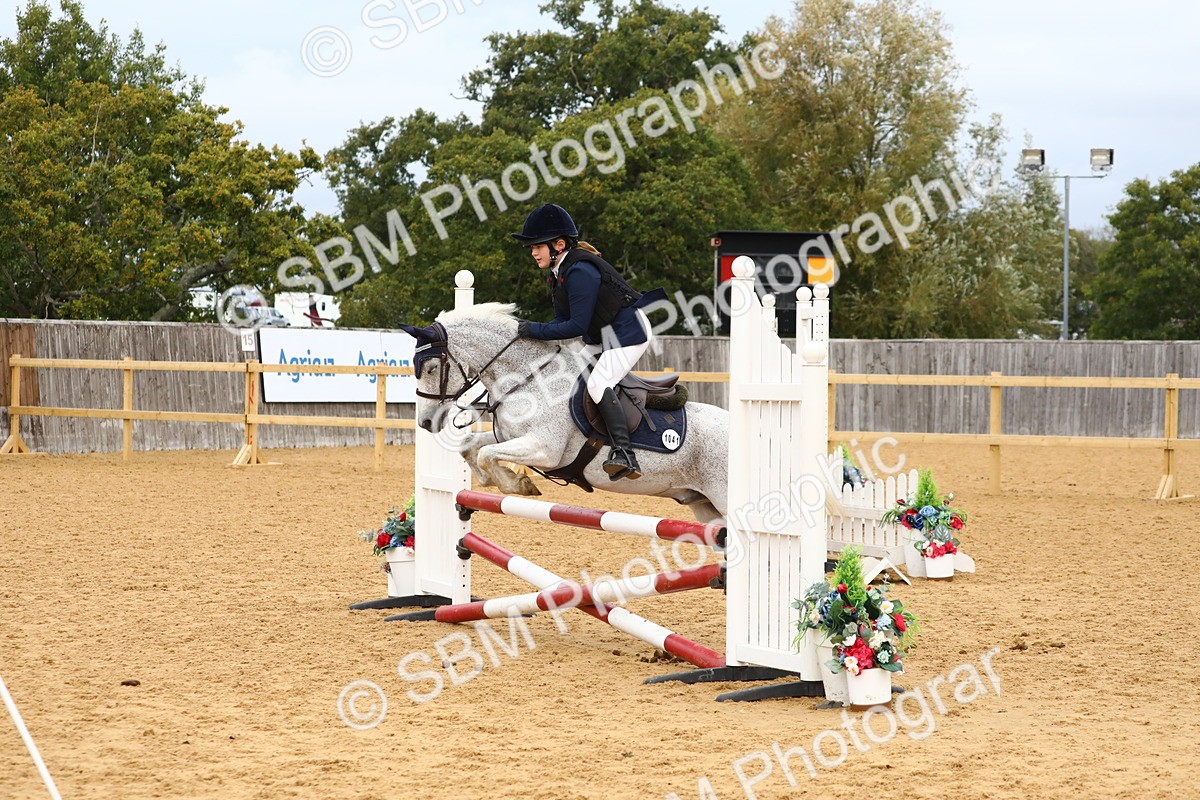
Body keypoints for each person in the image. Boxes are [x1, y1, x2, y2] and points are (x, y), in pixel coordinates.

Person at [510, 204, 665, 481]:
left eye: (537, 246)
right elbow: (561, 323)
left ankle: (624, 453)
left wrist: (531, 328)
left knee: (598, 383)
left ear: (558, 244)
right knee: (568, 373)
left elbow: (575, 326)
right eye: (531, 247)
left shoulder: (580, 270)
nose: (533, 252)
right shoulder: (559, 273)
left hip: (628, 332)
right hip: (602, 334)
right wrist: (534, 330)